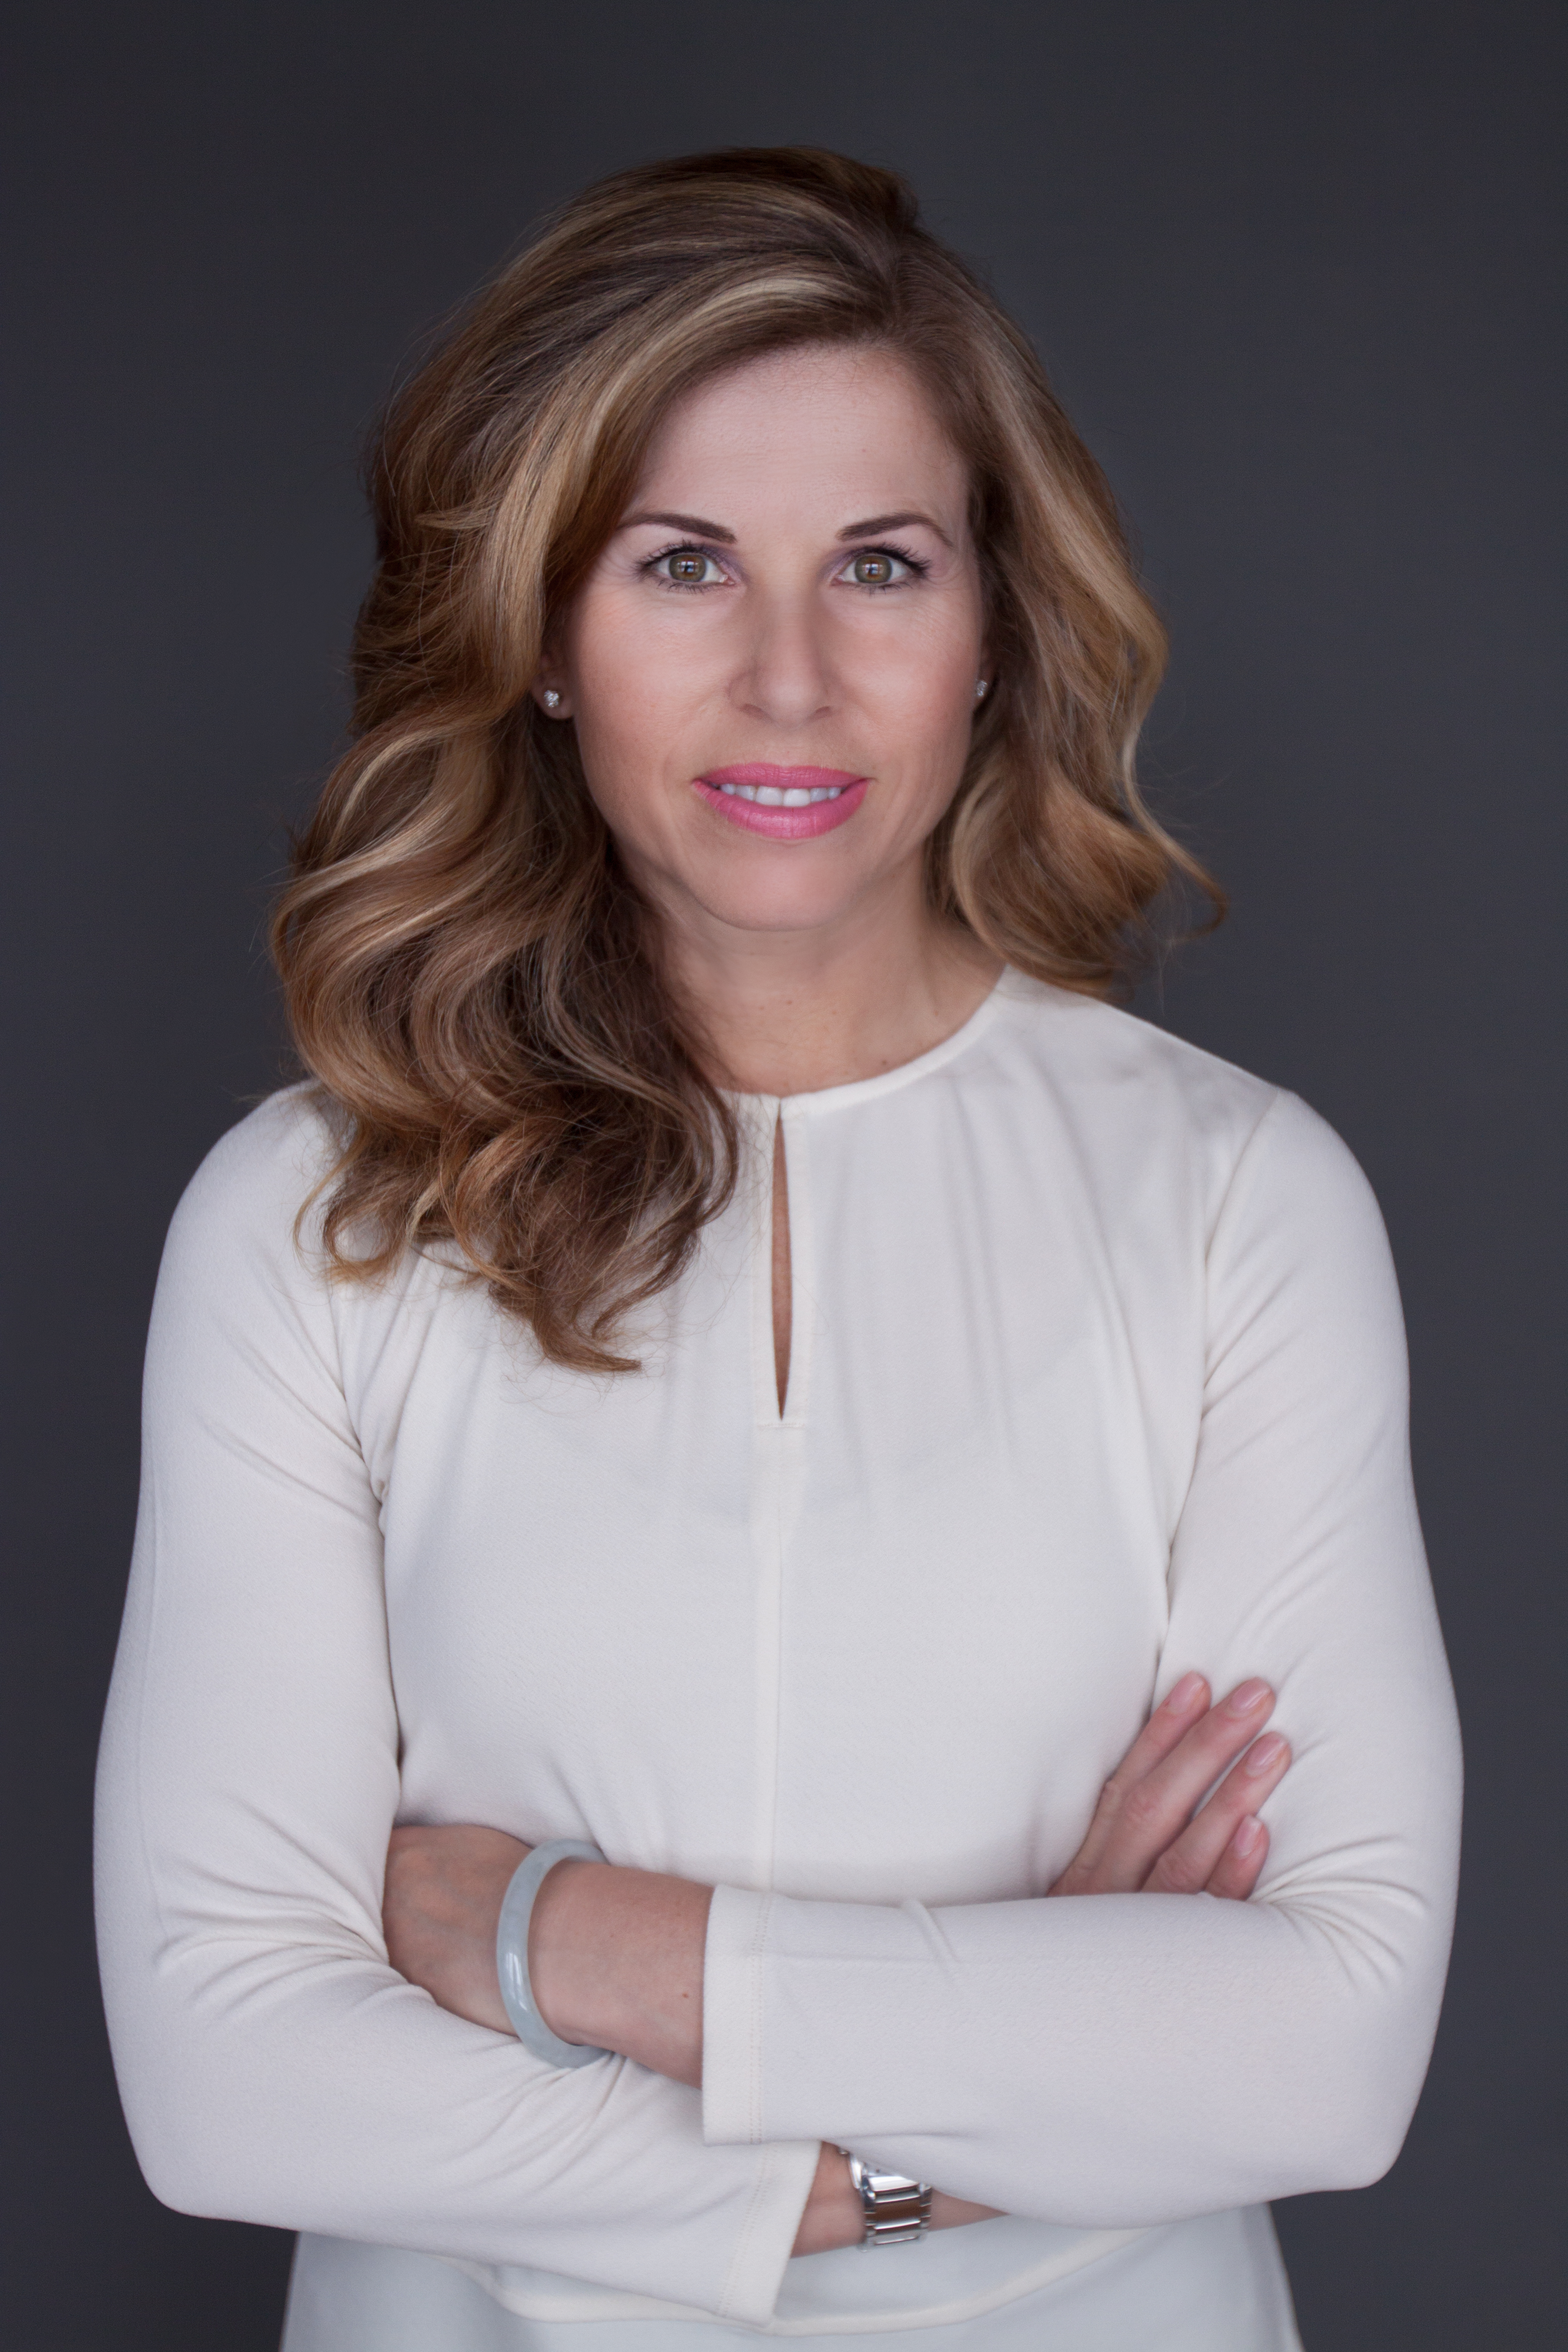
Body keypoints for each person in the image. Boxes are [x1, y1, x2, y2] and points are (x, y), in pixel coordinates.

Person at [94, 149, 1461, 2352]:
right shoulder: (317, 1214)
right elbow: (229, 2083)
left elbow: (1323, 2052)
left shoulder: (1236, 1199)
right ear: (546, 633)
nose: (793, 680)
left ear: (994, 631)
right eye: (686, 566)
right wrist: (946, 2124)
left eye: (884, 566)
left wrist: (544, 1935)